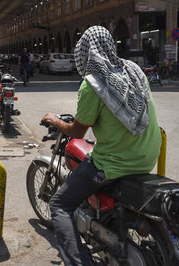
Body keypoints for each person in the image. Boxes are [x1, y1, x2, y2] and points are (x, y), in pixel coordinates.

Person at [41, 26, 161, 266]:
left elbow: (77, 131)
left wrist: (56, 121)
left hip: (113, 164)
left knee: (60, 205)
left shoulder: (94, 83)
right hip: (148, 157)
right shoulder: (134, 70)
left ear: (84, 52)